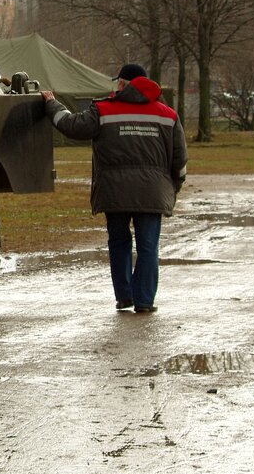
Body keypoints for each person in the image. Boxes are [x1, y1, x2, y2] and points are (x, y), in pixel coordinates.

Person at [41, 64, 187, 314]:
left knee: (118, 242)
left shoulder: (103, 110)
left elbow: (71, 126)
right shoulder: (167, 115)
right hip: (153, 192)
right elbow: (180, 160)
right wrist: (171, 188)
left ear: (122, 84)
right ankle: (144, 301)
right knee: (148, 247)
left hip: (114, 192)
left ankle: (124, 296)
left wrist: (52, 103)